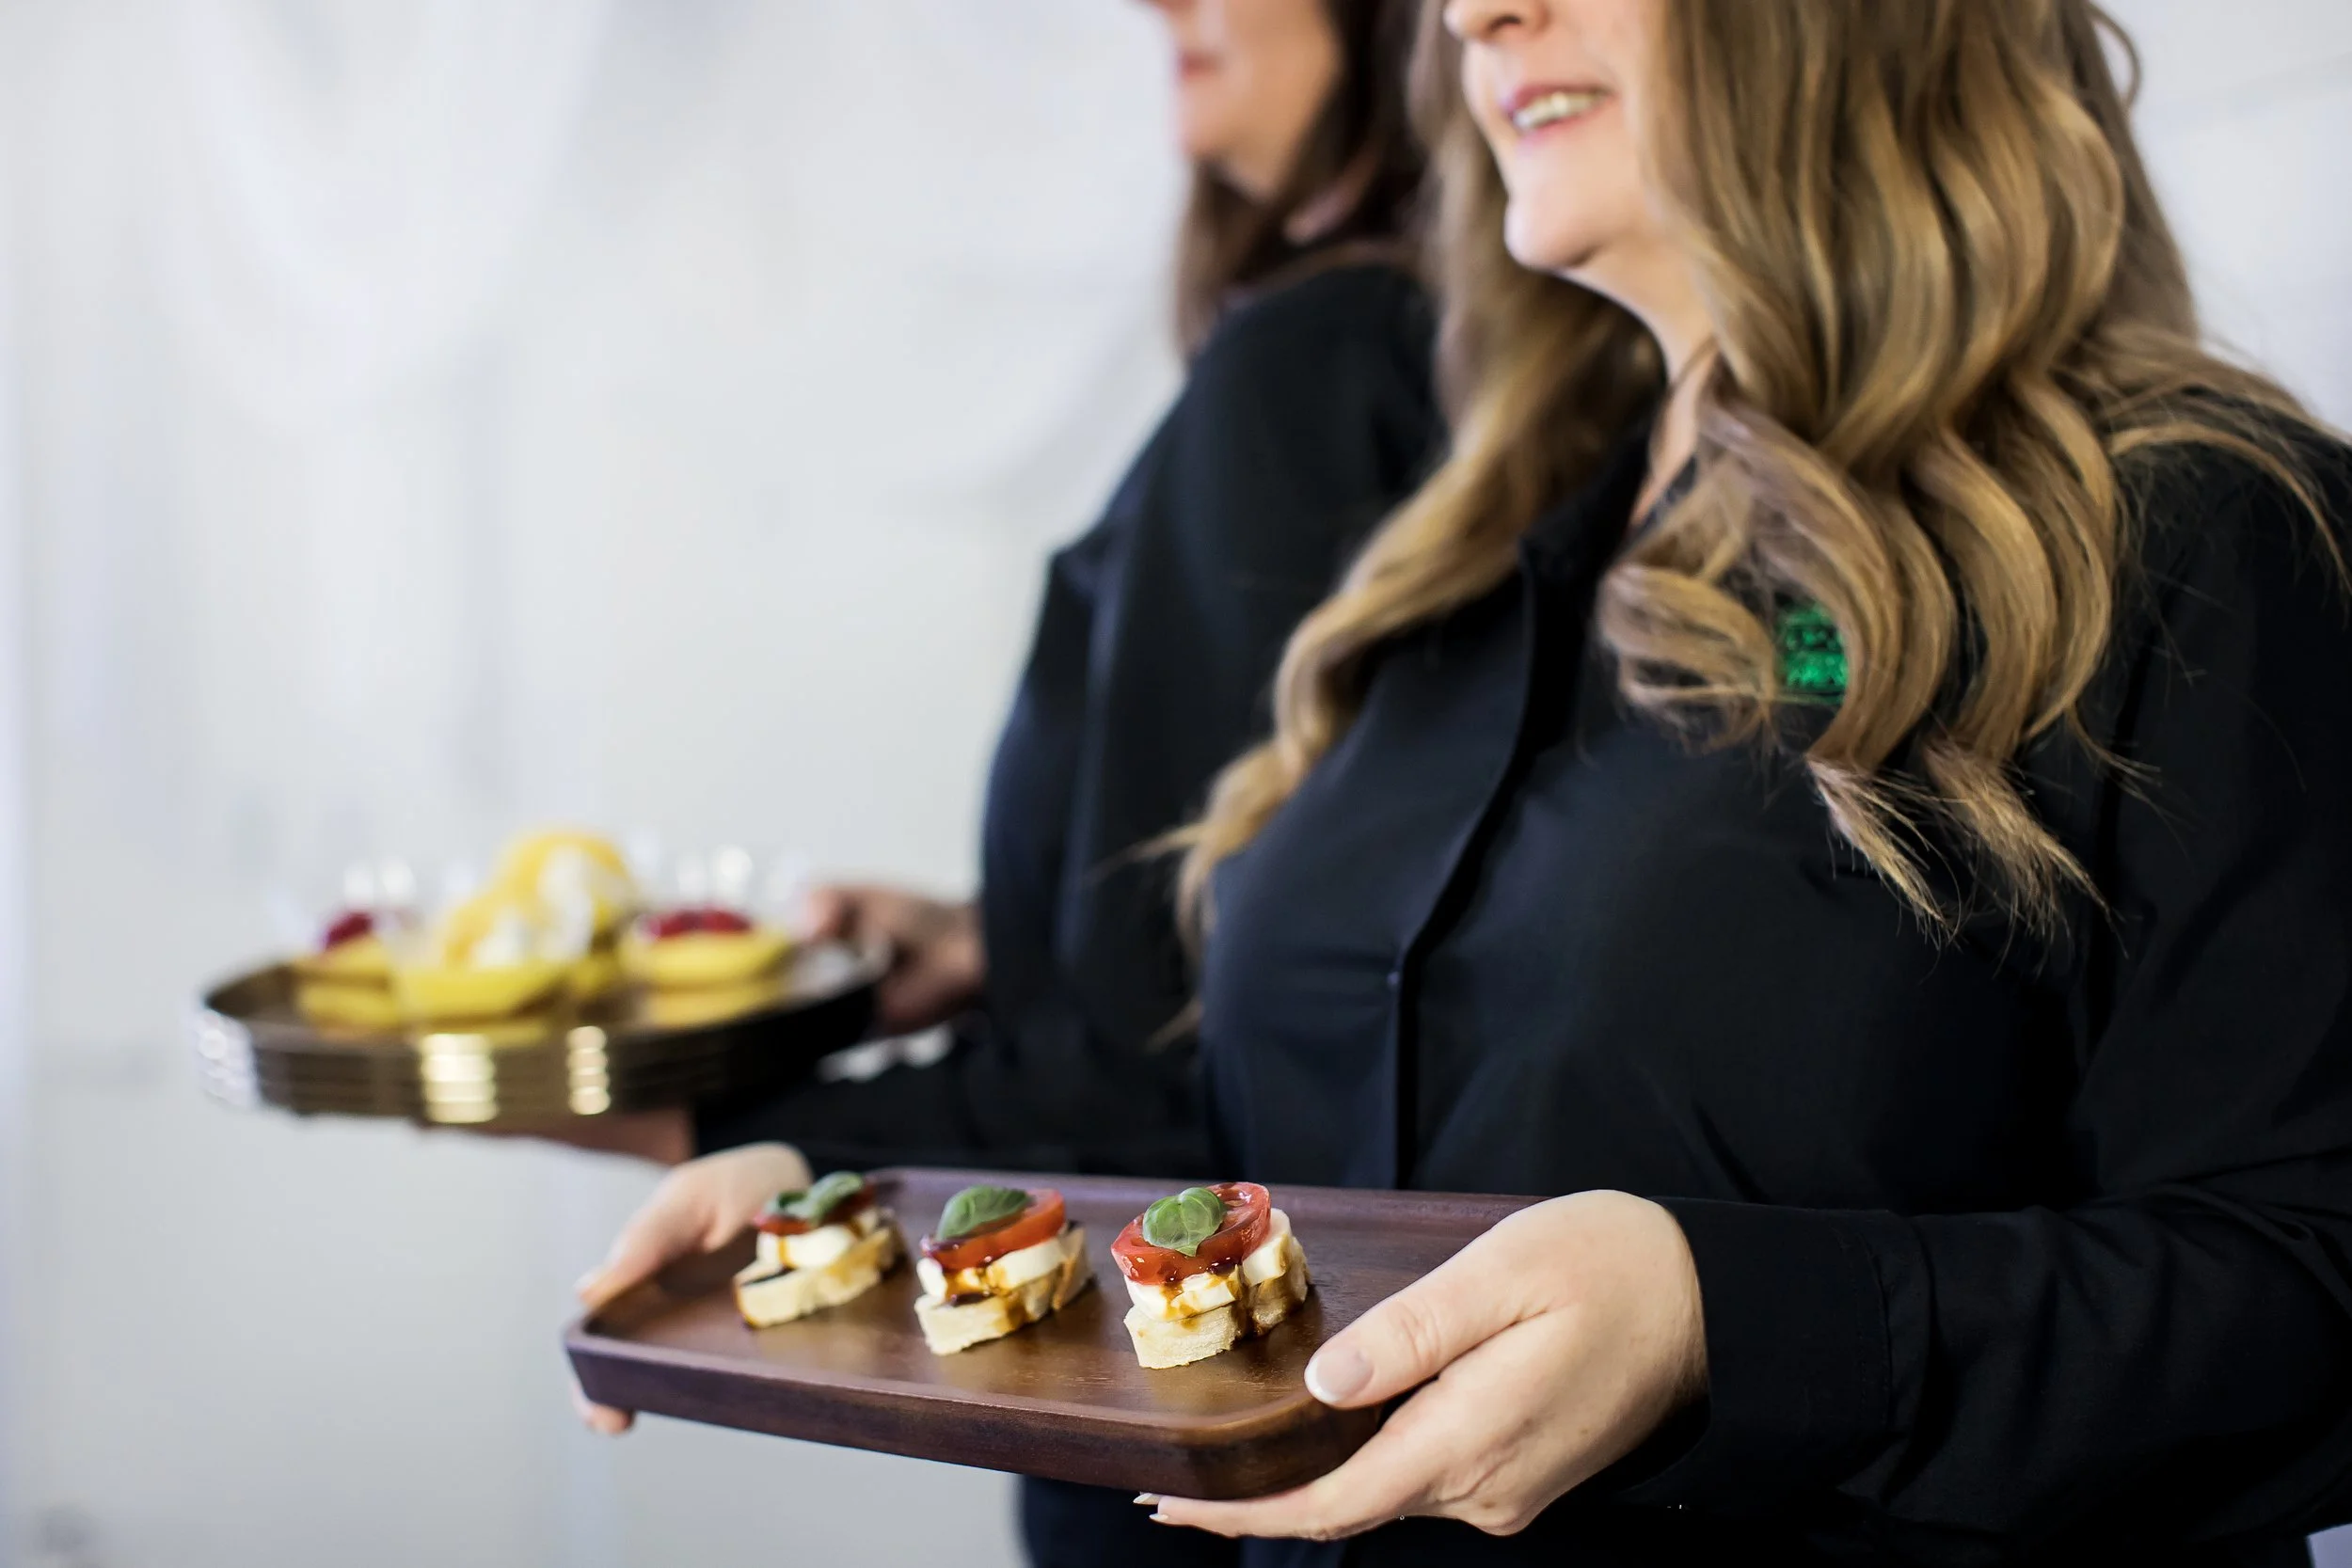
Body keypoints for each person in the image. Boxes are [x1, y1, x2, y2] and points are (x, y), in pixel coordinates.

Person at [1130, 0, 2352, 1563]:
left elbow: (2312, 1277)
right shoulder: (1456, 586)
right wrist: (804, 1175)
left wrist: (1731, 1320)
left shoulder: (2198, 536)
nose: (1473, 12)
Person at [573, 3, 1436, 1564]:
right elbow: (1290, 904)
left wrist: (689, 1116)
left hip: (1180, 1423)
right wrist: (995, 932)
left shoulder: (1305, 367)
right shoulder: (1392, 356)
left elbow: (1146, 1071)